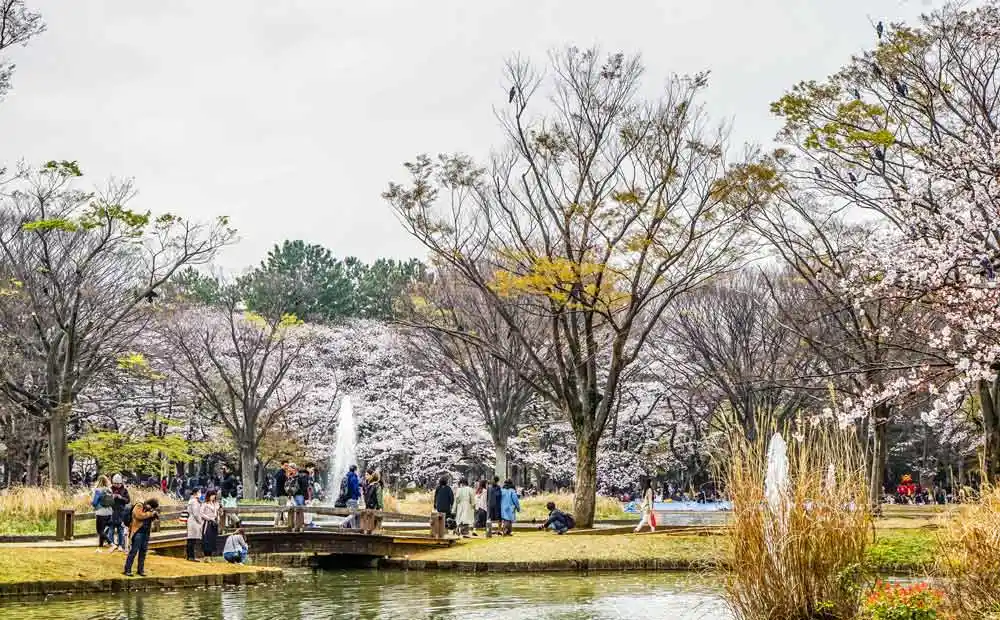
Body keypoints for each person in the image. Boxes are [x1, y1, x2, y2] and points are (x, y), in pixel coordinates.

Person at [123, 498, 159, 577]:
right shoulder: (139, 505)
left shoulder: (149, 510)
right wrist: (150, 514)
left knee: (143, 552)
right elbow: (139, 516)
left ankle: (140, 570)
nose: (151, 509)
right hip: (138, 532)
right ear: (148, 504)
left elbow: (151, 518)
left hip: (146, 533)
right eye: (151, 507)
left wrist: (154, 515)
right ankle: (127, 570)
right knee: (133, 551)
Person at [108, 474, 131, 552]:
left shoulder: (124, 490)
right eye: (115, 483)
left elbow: (128, 500)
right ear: (113, 483)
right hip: (112, 511)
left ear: (121, 483)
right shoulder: (109, 489)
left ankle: (120, 545)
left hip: (121, 512)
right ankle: (112, 544)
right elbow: (106, 500)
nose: (117, 485)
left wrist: (121, 498)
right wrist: (112, 497)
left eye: (118, 484)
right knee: (111, 529)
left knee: (120, 529)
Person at [91, 475, 114, 551]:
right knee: (103, 530)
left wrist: (92, 503)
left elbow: (94, 502)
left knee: (99, 530)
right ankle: (100, 544)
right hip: (109, 512)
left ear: (99, 481)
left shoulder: (98, 490)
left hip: (100, 513)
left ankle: (111, 543)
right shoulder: (109, 490)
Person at [201, 490, 220, 558]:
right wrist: (209, 518)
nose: (213, 497)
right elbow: (201, 513)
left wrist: (217, 518)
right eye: (211, 495)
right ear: (208, 496)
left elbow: (217, 513)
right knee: (206, 539)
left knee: (212, 539)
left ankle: (210, 555)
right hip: (207, 523)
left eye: (214, 495)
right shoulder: (205, 504)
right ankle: (206, 556)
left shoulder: (216, 504)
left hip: (214, 523)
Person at [185, 487, 203, 561]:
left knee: (190, 539)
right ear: (196, 493)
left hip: (191, 520)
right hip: (194, 521)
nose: (200, 493)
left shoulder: (192, 500)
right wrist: (200, 521)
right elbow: (196, 513)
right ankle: (191, 556)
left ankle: (189, 556)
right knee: (192, 539)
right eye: (199, 492)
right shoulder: (194, 501)